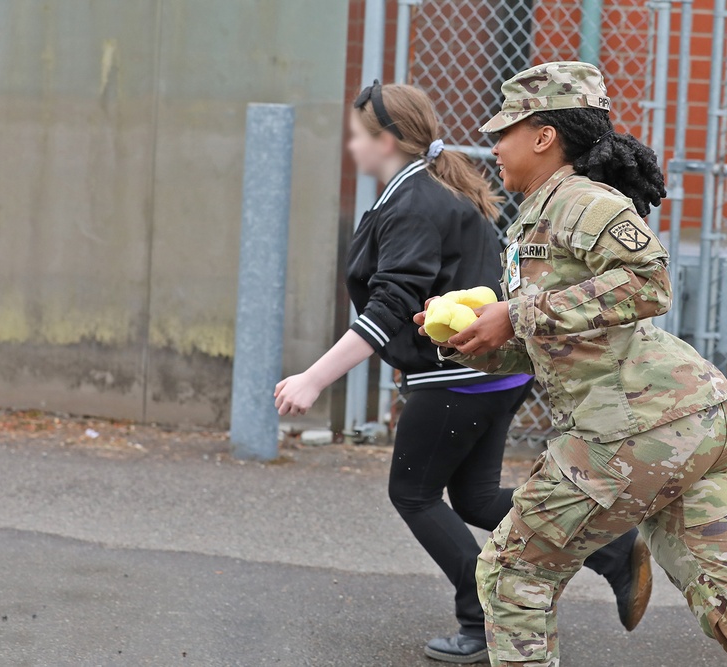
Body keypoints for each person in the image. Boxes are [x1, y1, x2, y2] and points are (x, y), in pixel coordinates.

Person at [414, 61, 727, 667]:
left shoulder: (582, 202)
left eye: (503, 131)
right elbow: (555, 336)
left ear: (544, 136)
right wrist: (475, 341)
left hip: (635, 429)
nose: (493, 145)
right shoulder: (539, 214)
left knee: (513, 573)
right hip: (686, 421)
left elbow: (650, 281)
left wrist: (520, 315)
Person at [273, 80, 651, 664]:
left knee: (414, 494)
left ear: (388, 140)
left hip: (458, 379)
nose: (350, 148)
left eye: (356, 136)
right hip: (489, 375)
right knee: (474, 498)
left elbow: (390, 306)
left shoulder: (415, 203)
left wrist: (313, 378)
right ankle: (612, 548)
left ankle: (484, 619)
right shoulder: (425, 192)